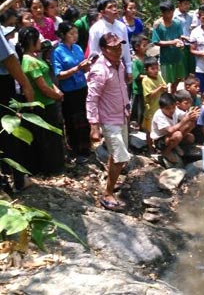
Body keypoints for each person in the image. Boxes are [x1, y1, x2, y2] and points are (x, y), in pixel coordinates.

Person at [86, 32, 130, 211]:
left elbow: (122, 88)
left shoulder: (118, 64)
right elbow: (92, 98)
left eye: (119, 46)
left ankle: (110, 182)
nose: (118, 50)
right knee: (120, 158)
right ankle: (107, 194)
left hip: (121, 115)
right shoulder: (99, 69)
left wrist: (127, 107)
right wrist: (94, 126)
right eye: (113, 47)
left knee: (118, 156)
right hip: (109, 119)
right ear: (103, 49)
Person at [19, 27, 65, 175]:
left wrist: (57, 91)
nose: (40, 42)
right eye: (37, 39)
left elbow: (47, 82)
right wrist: (56, 95)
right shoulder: (30, 61)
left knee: (53, 137)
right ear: (31, 42)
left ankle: (55, 167)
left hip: (49, 101)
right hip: (43, 104)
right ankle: (51, 169)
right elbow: (42, 87)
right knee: (48, 139)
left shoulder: (33, 58)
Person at [51, 22, 92, 164]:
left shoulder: (78, 48)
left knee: (84, 118)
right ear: (63, 35)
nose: (75, 36)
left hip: (82, 86)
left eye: (76, 33)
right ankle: (75, 149)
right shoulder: (57, 51)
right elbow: (59, 74)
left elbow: (83, 67)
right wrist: (76, 68)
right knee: (72, 120)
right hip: (69, 90)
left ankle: (86, 147)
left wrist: (87, 66)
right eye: (71, 33)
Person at [0, 30, 34, 192]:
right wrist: (26, 85)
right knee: (8, 132)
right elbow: (7, 57)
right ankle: (18, 179)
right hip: (2, 86)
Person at [88, 0, 132, 83]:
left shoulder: (121, 26)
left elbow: (125, 48)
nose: (114, 9)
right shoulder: (96, 29)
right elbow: (94, 53)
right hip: (104, 67)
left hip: (120, 65)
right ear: (102, 12)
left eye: (115, 6)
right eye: (110, 7)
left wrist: (129, 69)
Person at [150, 92, 199, 165]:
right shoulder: (159, 115)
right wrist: (184, 120)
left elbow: (185, 116)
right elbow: (170, 130)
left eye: (173, 107)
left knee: (191, 134)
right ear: (161, 108)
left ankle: (176, 145)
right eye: (168, 108)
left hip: (171, 135)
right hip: (160, 140)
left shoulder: (175, 110)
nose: (171, 110)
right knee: (178, 135)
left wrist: (193, 115)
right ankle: (166, 152)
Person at [152, 0, 186, 94]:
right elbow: (156, 41)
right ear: (162, 13)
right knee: (165, 82)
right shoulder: (158, 25)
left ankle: (173, 94)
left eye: (171, 12)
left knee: (178, 79)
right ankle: (166, 98)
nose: (169, 15)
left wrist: (180, 43)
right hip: (166, 59)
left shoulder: (177, 23)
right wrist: (172, 42)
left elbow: (179, 38)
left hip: (177, 56)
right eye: (167, 12)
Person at [142, 56, 168, 153]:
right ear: (146, 70)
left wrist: (164, 88)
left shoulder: (159, 76)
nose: (155, 71)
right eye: (152, 69)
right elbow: (149, 96)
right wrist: (159, 89)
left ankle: (159, 145)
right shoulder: (146, 80)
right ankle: (150, 148)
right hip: (151, 110)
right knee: (149, 130)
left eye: (157, 68)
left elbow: (164, 86)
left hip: (160, 108)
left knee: (161, 128)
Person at [173, 0, 195, 75]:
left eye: (188, 4)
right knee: (182, 71)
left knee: (191, 70)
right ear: (179, 3)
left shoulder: (189, 16)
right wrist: (182, 37)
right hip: (179, 46)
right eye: (185, 4)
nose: (187, 6)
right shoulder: (174, 16)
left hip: (189, 45)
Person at [130, 33, 148, 129]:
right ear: (137, 47)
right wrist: (148, 76)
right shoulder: (135, 61)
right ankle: (139, 124)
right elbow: (136, 76)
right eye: (144, 46)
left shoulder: (146, 57)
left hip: (146, 88)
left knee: (145, 106)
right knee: (139, 107)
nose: (146, 48)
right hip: (138, 89)